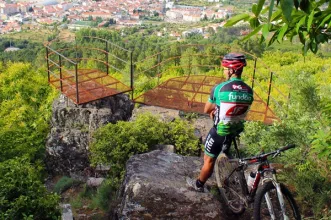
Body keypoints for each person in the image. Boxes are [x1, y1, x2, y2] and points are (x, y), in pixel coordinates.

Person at [187, 53, 254, 192]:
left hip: (220, 132)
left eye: (225, 68)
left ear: (231, 70)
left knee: (208, 159)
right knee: (224, 153)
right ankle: (224, 171)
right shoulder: (249, 90)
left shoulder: (220, 88)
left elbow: (207, 109)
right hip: (235, 129)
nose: (223, 71)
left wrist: (215, 109)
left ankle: (199, 185)